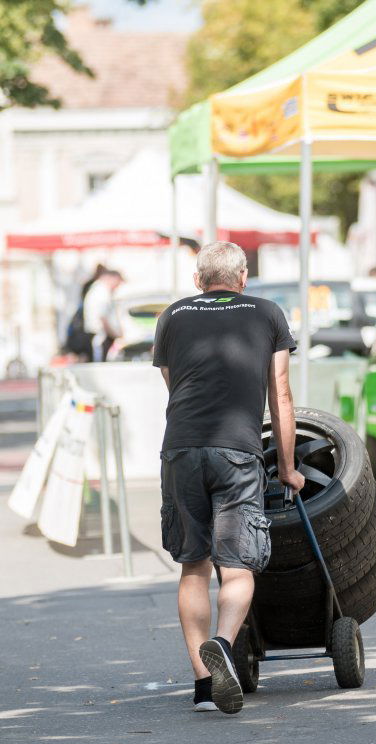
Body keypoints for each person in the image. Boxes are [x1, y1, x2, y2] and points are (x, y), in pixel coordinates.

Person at [152, 242, 305, 715]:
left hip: (180, 448)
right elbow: (279, 393)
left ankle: (203, 685)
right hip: (237, 449)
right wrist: (287, 466)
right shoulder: (267, 313)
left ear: (199, 280)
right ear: (242, 277)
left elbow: (172, 381)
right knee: (237, 567)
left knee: (193, 565)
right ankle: (223, 641)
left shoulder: (173, 316)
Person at [81, 268, 125, 362]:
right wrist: (115, 334)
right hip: (100, 337)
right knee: (100, 365)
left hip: (101, 336)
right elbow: (102, 318)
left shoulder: (99, 290)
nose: (118, 286)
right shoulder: (101, 292)